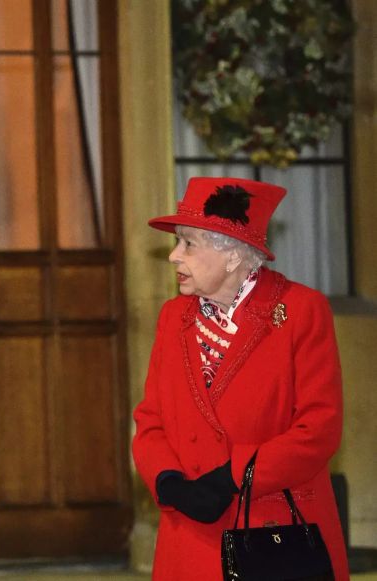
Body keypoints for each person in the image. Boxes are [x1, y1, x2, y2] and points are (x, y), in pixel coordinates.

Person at [132, 177, 349, 580]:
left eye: (188, 243)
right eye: (177, 243)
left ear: (231, 253)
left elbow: (318, 429)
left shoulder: (300, 311)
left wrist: (231, 477)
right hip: (188, 538)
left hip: (273, 533)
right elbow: (151, 420)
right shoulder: (172, 317)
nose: (174, 257)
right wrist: (168, 482)